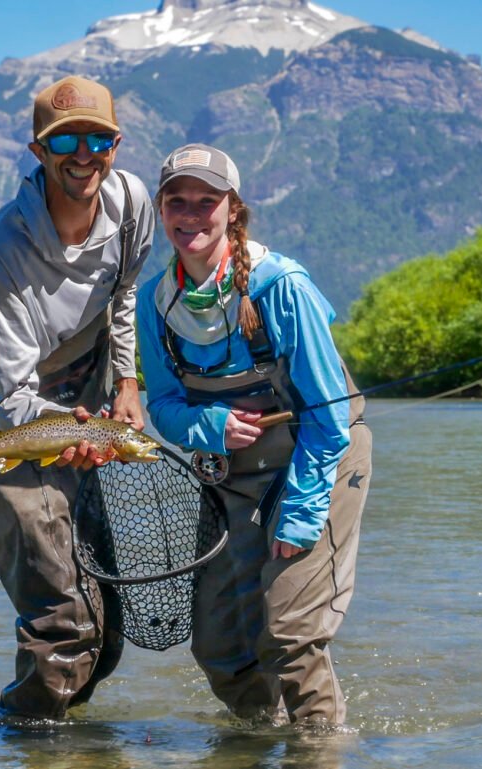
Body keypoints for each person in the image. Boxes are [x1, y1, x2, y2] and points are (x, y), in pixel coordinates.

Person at [0, 76, 155, 719]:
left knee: (104, 631)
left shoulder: (134, 203)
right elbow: (11, 403)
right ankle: (25, 739)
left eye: (98, 139)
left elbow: (124, 296)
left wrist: (127, 384)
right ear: (38, 151)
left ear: (116, 146)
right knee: (65, 624)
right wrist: (82, 435)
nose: (83, 154)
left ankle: (64, 747)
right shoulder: (4, 246)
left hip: (76, 413)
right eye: (66, 142)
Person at [136, 144, 372, 725]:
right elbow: (162, 406)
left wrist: (299, 513)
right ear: (162, 211)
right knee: (221, 648)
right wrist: (209, 425)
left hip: (321, 460)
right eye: (177, 202)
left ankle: (319, 751)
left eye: (206, 201)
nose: (190, 215)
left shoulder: (280, 286)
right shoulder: (153, 302)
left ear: (233, 210)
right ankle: (261, 742)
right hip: (235, 477)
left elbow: (327, 415)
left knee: (290, 632)